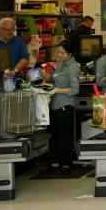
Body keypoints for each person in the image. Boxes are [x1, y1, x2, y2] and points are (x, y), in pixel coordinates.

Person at [42, 40, 80, 173]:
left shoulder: (73, 67)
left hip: (65, 105)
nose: (59, 54)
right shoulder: (61, 64)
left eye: (62, 52)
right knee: (55, 135)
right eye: (58, 51)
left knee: (64, 136)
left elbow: (75, 89)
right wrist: (42, 73)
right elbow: (52, 78)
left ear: (70, 53)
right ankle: (55, 160)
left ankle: (65, 163)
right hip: (54, 105)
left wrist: (57, 90)